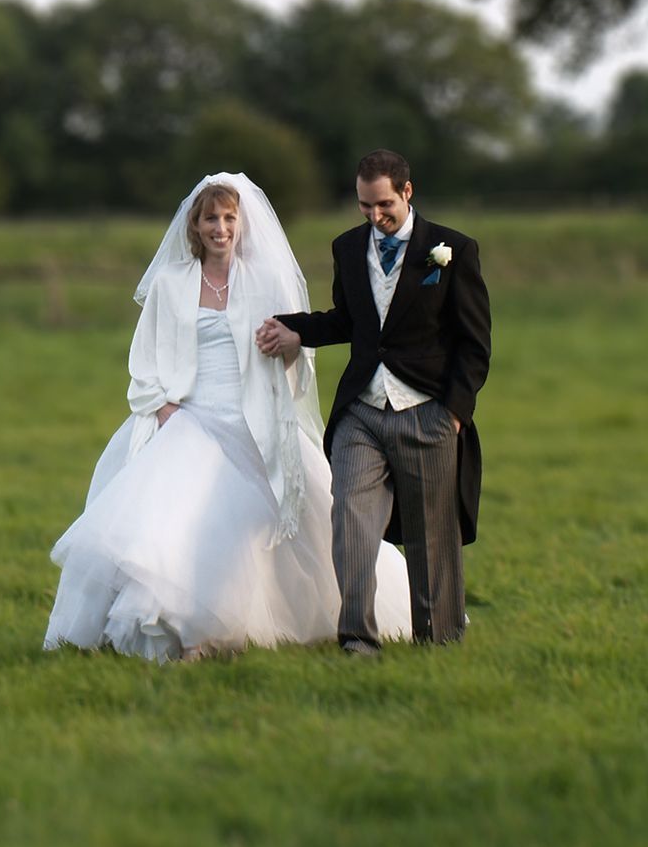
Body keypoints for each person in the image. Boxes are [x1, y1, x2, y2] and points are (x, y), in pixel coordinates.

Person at [44, 173, 412, 662]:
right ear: (194, 227)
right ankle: (191, 632)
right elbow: (145, 357)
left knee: (301, 517)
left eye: (229, 219)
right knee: (176, 519)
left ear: (241, 225)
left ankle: (305, 622)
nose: (220, 228)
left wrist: (284, 348)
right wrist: (164, 407)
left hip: (253, 414)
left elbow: (296, 351)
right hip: (189, 417)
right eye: (210, 219)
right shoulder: (171, 284)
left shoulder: (265, 280)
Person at [255, 150, 492, 652]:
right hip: (361, 412)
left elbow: (474, 344)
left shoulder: (453, 249)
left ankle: (440, 643)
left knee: (432, 539)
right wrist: (294, 329)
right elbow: (349, 320)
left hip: (427, 412)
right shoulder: (347, 248)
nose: (374, 216)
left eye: (383, 204)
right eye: (364, 206)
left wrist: (452, 412)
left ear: (407, 192)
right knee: (352, 527)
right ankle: (357, 642)